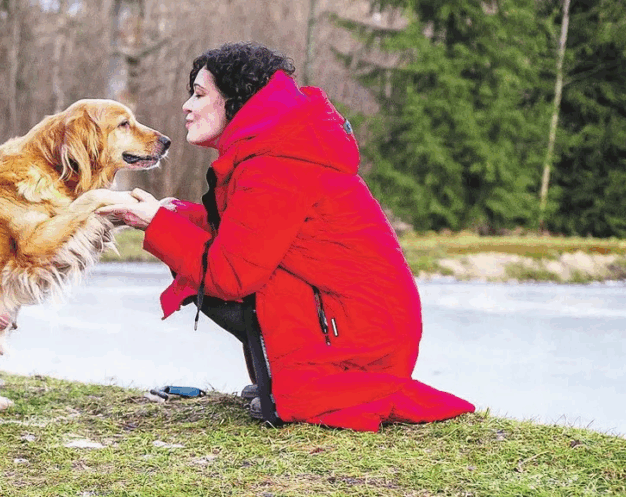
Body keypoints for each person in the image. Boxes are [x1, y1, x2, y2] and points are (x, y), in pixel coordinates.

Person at [98, 42, 475, 432]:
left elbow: (232, 272)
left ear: (236, 100)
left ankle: (302, 390)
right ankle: (280, 384)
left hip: (363, 338)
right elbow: (242, 233)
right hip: (361, 323)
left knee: (240, 275)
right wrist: (168, 213)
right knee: (216, 257)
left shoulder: (277, 165)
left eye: (199, 94)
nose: (186, 106)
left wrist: (157, 224)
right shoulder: (269, 151)